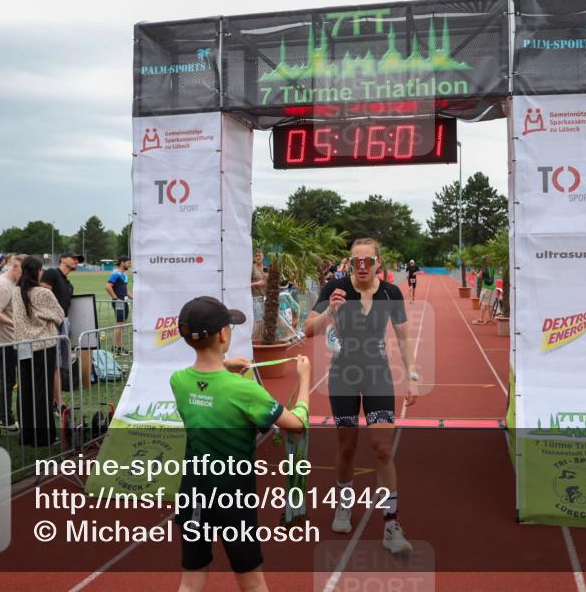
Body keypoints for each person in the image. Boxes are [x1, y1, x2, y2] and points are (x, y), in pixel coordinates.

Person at [170, 296, 310, 591]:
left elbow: (205, 382)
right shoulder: (245, 390)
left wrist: (222, 363)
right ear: (223, 335)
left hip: (194, 492)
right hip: (233, 497)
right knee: (252, 581)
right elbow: (296, 425)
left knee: (191, 580)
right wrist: (305, 380)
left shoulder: (178, 381)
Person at [304, 238, 419, 555]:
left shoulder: (389, 293)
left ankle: (391, 524)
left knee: (383, 450)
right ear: (350, 262)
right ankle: (344, 504)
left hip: (378, 375)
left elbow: (404, 336)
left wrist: (411, 376)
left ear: (379, 262)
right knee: (347, 445)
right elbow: (308, 329)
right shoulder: (336, 288)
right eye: (357, 260)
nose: (363, 265)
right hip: (343, 374)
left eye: (368, 259)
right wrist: (330, 310)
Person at [15, 256, 64, 446]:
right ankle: (44, 437)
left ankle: (27, 435)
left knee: (25, 390)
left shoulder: (15, 291)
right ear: (37, 271)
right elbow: (59, 315)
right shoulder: (43, 293)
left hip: (23, 346)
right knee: (42, 391)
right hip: (43, 345)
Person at [0, 253, 25, 433]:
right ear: (16, 266)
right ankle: (7, 422)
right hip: (3, 340)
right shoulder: (2, 285)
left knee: (3, 380)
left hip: (9, 339)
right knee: (7, 381)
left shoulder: (11, 283)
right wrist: (16, 324)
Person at [40, 252, 82, 412]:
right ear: (62, 259)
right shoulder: (51, 273)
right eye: (74, 258)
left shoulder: (67, 282)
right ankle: (59, 402)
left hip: (63, 323)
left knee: (60, 364)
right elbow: (42, 298)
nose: (76, 261)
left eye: (78, 260)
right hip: (52, 324)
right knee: (55, 364)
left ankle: (55, 400)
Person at [105, 256, 133, 355]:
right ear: (122, 263)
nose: (129, 264)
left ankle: (119, 347)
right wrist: (116, 298)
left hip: (124, 302)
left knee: (122, 325)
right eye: (128, 262)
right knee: (119, 324)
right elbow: (108, 287)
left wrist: (133, 298)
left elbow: (125, 290)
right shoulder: (115, 273)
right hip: (119, 303)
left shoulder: (125, 275)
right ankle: (117, 348)